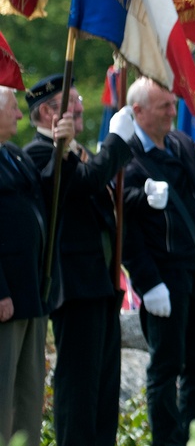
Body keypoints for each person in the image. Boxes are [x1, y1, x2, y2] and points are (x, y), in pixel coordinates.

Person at [22, 75, 135, 446]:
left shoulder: (76, 150)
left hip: (100, 284)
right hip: (73, 286)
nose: (82, 106)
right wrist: (116, 142)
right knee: (79, 387)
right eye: (71, 101)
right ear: (47, 112)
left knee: (103, 387)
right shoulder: (39, 153)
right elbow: (86, 181)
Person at [122, 77, 195, 445]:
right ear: (138, 112)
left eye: (172, 103)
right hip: (164, 280)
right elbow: (126, 236)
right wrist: (148, 284)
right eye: (163, 105)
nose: (172, 110)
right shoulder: (128, 160)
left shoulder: (179, 142)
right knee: (165, 370)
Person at [0, 85, 78, 446]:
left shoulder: (14, 155)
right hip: (6, 298)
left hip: (31, 291)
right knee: (3, 395)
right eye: (13, 108)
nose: (19, 115)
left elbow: (48, 196)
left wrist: (62, 151)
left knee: (29, 392)